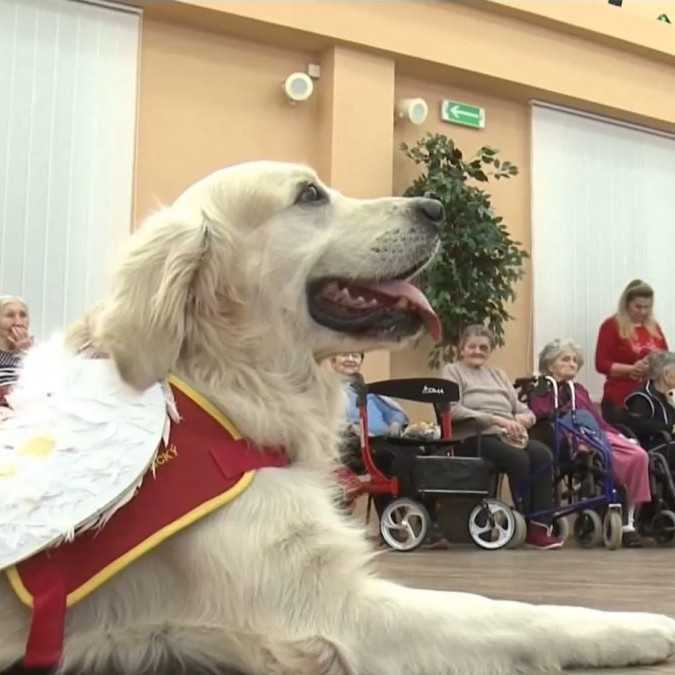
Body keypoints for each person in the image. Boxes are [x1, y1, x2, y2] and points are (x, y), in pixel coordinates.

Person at [443, 325, 563, 550]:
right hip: (472, 437)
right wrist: (497, 420)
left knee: (543, 455)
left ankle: (540, 524)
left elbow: (520, 407)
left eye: (483, 347)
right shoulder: (452, 371)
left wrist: (525, 418)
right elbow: (453, 410)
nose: (478, 351)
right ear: (461, 349)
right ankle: (523, 521)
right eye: (472, 347)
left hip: (508, 434)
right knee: (518, 459)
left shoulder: (497, 374)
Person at [531, 338, 651, 547]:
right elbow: (539, 413)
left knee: (639, 454)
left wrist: (621, 436)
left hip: (597, 433)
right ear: (550, 365)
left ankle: (628, 522)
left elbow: (599, 421)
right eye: (565, 359)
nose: (571, 364)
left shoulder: (579, 389)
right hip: (568, 435)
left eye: (574, 361)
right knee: (607, 454)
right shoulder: (542, 387)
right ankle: (621, 518)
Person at [595, 279, 668, 426]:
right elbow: (601, 364)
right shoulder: (611, 326)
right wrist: (632, 369)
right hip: (621, 399)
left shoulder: (654, 327)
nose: (643, 311)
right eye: (638, 307)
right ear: (626, 304)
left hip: (652, 398)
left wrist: (653, 367)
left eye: (647, 307)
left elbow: (666, 359)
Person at [330, 352, 408, 437]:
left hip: (384, 445)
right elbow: (319, 422)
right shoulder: (325, 392)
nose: (350, 359)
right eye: (345, 355)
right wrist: (348, 429)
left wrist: (395, 423)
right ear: (333, 360)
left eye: (355, 356)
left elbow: (395, 413)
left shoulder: (370, 391)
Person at [624, 351, 675, 450]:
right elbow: (639, 425)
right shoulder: (641, 397)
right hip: (655, 447)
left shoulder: (670, 394)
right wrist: (670, 428)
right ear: (666, 374)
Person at [0, 295, 33, 407]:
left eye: (23, 315)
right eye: (10, 315)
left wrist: (28, 355)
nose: (18, 322)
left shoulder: (40, 352)